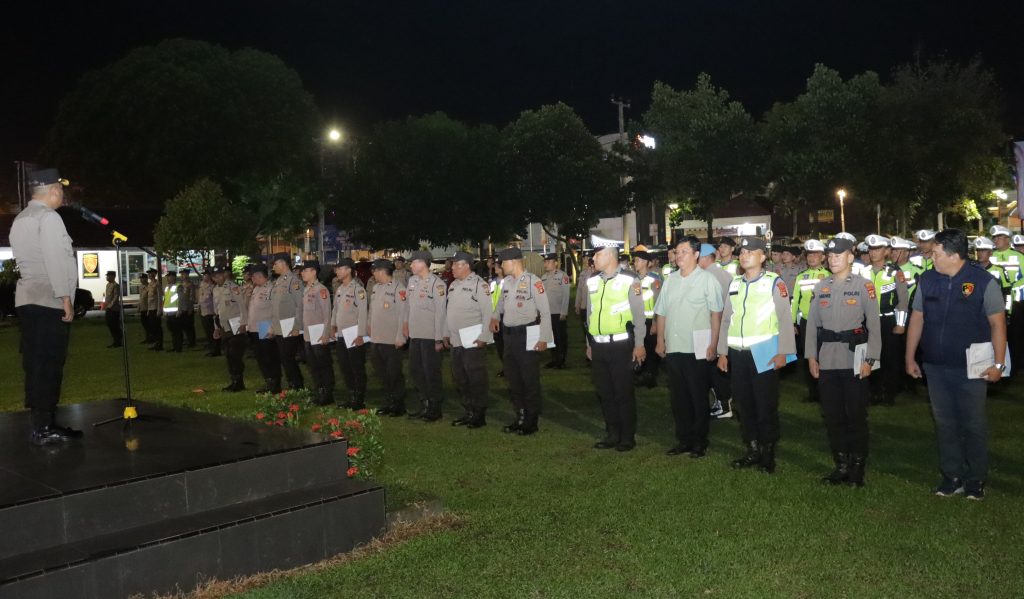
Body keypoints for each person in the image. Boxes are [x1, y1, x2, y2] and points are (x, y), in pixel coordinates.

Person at [905, 228, 1006, 500]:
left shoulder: (984, 282)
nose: (931, 256)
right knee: (945, 423)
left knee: (972, 424)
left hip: (973, 367)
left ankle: (976, 478)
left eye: (936, 253)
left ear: (953, 254)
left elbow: (997, 324)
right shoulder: (927, 280)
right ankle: (951, 475)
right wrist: (910, 356)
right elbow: (917, 318)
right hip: (936, 367)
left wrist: (999, 364)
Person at [10, 168, 83, 445]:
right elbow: (55, 259)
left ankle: (40, 423)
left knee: (35, 362)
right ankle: (44, 427)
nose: (63, 195)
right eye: (61, 190)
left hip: (28, 299)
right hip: (48, 299)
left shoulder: (21, 218)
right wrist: (65, 297)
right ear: (53, 191)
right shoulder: (49, 217)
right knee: (50, 362)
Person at [804, 237, 881, 487]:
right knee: (833, 415)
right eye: (831, 255)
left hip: (854, 359)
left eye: (839, 254)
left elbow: (874, 326)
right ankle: (841, 465)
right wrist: (811, 357)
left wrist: (871, 358)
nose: (833, 258)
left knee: (856, 415)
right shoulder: (821, 287)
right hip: (827, 359)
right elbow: (812, 326)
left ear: (851, 256)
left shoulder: (864, 286)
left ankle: (857, 467)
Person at [716, 237, 796, 474]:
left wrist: (784, 351)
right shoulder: (735, 284)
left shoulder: (774, 282)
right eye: (742, 251)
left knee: (765, 404)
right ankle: (752, 449)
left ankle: (767, 454)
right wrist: (722, 352)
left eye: (751, 251)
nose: (744, 255)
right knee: (743, 404)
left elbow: (784, 318)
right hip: (737, 354)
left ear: (763, 257)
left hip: (764, 353)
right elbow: (726, 320)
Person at [655, 236, 723, 457]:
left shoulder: (707, 280)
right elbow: (662, 312)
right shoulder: (671, 280)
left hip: (698, 348)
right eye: (677, 251)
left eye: (684, 251)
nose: (679, 255)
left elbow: (716, 314)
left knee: (697, 396)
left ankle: (699, 441)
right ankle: (683, 439)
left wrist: (714, 344)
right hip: (674, 347)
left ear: (696, 255)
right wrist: (660, 341)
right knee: (679, 397)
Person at [582, 239, 647, 452]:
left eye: (597, 255)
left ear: (609, 255)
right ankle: (612, 433)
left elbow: (639, 316)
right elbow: (590, 316)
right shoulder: (592, 281)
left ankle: (627, 436)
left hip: (621, 345)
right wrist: (589, 343)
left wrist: (639, 345)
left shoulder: (630, 280)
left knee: (623, 393)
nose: (593, 259)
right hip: (598, 347)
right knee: (605, 393)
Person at [489, 247, 553, 436]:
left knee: (529, 379)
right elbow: (499, 304)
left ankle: (531, 421)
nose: (500, 266)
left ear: (514, 262)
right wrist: (494, 317)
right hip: (508, 336)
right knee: (513, 379)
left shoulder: (534, 282)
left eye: (503, 262)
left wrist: (544, 338)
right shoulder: (506, 283)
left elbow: (545, 312)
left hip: (528, 334)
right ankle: (520, 416)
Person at [444, 251, 494, 428]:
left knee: (476, 378)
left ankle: (479, 414)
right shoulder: (453, 285)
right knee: (460, 377)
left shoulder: (479, 285)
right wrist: (446, 333)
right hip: (456, 340)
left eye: (456, 265)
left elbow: (488, 312)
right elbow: (448, 311)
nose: (452, 269)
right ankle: (469, 411)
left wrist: (484, 337)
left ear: (465, 265)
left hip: (473, 340)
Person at [865, 234, 908, 406]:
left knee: (890, 357)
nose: (873, 252)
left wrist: (900, 324)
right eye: (871, 249)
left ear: (887, 251)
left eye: (877, 249)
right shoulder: (862, 271)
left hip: (888, 320)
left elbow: (902, 301)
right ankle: (874, 392)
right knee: (871, 358)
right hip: (868, 322)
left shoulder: (895, 272)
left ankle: (890, 393)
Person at [405, 250, 448, 421]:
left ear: (423, 263)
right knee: (416, 371)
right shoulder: (412, 281)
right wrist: (406, 324)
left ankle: (435, 407)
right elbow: (408, 306)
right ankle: (425, 403)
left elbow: (440, 313)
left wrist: (439, 338)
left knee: (431, 373)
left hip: (430, 336)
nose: (411, 265)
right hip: (415, 335)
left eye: (414, 262)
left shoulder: (437, 284)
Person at [697, 243, 734, 419]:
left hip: (711, 327)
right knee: (717, 367)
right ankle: (723, 402)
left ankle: (724, 404)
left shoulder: (706, 276)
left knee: (714, 369)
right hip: (723, 326)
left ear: (704, 258)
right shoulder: (724, 274)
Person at [368, 259, 409, 416]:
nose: (373, 274)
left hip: (392, 340)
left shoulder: (399, 289)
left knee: (394, 373)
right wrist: (369, 325)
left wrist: (400, 336)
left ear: (382, 271)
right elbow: (372, 310)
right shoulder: (376, 288)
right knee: (382, 373)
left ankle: (398, 405)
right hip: (377, 338)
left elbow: (403, 315)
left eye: (375, 271)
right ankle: (388, 401)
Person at [790, 239, 829, 403]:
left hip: (826, 321)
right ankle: (813, 392)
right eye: (809, 254)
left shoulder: (829, 276)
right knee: (809, 355)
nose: (812, 257)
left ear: (823, 257)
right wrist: (792, 322)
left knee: (826, 355)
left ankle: (826, 389)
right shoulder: (801, 276)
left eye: (816, 254)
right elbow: (795, 301)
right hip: (807, 322)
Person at [331, 259, 369, 409]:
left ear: (348, 270)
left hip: (353, 334)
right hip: (341, 335)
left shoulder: (358, 290)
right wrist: (333, 325)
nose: (337, 272)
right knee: (345, 366)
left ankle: (359, 398)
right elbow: (335, 309)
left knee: (356, 367)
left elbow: (363, 314)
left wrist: (361, 335)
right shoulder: (340, 289)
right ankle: (351, 395)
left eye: (340, 269)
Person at [300, 261, 335, 406]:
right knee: (313, 366)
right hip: (309, 334)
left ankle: (327, 393)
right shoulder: (306, 289)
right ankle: (319, 390)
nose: (302, 273)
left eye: (305, 271)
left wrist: (326, 333)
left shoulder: (321, 290)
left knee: (323, 365)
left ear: (314, 272)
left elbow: (327, 313)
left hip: (319, 333)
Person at [269, 253, 305, 390]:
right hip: (279, 327)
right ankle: (293, 383)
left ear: (283, 263)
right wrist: (272, 326)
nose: (274, 267)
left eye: (275, 264)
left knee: (288, 358)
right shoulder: (278, 281)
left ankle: (296, 385)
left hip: (290, 326)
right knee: (284, 358)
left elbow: (300, 305)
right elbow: (274, 307)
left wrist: (297, 326)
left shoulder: (294, 281)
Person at [212, 265, 248, 391]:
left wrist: (244, 323)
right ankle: (234, 380)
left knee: (235, 354)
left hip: (236, 324)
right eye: (215, 276)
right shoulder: (215, 290)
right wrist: (216, 327)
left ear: (224, 275)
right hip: (224, 325)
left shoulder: (233, 287)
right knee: (228, 354)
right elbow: (216, 311)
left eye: (220, 275)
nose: (218, 278)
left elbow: (242, 306)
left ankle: (239, 381)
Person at [248, 263, 281, 394]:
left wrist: (273, 326)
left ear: (259, 275)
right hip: (255, 327)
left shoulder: (272, 289)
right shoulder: (256, 289)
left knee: (270, 357)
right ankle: (268, 381)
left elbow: (276, 310)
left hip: (266, 326)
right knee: (260, 356)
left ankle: (275, 383)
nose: (252, 278)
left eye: (253, 276)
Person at [631, 247, 662, 387]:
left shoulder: (654, 279)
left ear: (645, 262)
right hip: (638, 320)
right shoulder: (634, 280)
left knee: (650, 349)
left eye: (637, 260)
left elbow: (658, 301)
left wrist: (656, 322)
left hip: (650, 320)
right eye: (635, 260)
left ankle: (651, 376)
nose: (635, 263)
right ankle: (641, 373)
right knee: (639, 346)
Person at [541, 252, 571, 369]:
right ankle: (554, 358)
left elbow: (566, 295)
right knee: (550, 337)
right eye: (545, 261)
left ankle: (561, 359)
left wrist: (564, 312)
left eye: (548, 261)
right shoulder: (543, 277)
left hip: (558, 312)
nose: (546, 264)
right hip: (547, 313)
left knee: (560, 337)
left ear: (556, 263)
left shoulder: (563, 276)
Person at [198, 269, 220, 356]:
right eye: (203, 275)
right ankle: (211, 348)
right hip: (204, 312)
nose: (204, 277)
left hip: (211, 312)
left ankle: (216, 349)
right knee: (207, 332)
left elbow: (215, 300)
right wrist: (199, 307)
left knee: (213, 332)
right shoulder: (202, 285)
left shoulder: (213, 287)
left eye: (206, 275)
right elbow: (200, 298)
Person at [161, 271, 183, 352]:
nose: (167, 278)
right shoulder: (167, 287)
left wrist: (179, 310)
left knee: (177, 331)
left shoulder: (178, 286)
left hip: (175, 313)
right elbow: (165, 300)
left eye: (169, 276)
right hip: (168, 313)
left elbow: (180, 299)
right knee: (172, 331)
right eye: (167, 277)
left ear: (173, 277)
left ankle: (178, 347)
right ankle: (175, 346)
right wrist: (164, 310)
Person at [103, 270, 122, 348]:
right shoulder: (108, 285)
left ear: (113, 276)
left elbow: (116, 297)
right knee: (110, 324)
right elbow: (107, 297)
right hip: (108, 308)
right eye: (107, 276)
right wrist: (105, 305)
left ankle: (118, 341)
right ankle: (115, 340)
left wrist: (110, 305)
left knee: (115, 325)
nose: (107, 277)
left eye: (108, 276)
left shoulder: (116, 285)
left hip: (114, 309)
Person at [146, 268, 164, 351]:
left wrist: (159, 309)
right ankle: (156, 343)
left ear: (154, 274)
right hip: (151, 308)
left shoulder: (157, 284)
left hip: (156, 308)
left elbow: (160, 297)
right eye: (148, 273)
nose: (149, 275)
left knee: (157, 327)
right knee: (153, 327)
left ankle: (160, 344)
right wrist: (148, 310)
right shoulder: (149, 285)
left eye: (150, 273)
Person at [179, 269, 197, 348]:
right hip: (181, 308)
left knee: (189, 326)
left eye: (184, 274)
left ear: (187, 275)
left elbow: (192, 297)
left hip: (188, 308)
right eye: (181, 274)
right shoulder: (180, 285)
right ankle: (186, 340)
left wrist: (190, 308)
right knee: (183, 326)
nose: (182, 276)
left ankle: (192, 341)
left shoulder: (190, 285)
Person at [137, 272, 152, 344]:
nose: (141, 280)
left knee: (149, 324)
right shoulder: (141, 287)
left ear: (146, 279)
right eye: (140, 278)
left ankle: (151, 337)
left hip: (148, 308)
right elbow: (141, 298)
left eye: (142, 278)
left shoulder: (149, 286)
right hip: (143, 307)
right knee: (144, 324)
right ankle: (147, 337)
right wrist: (139, 306)